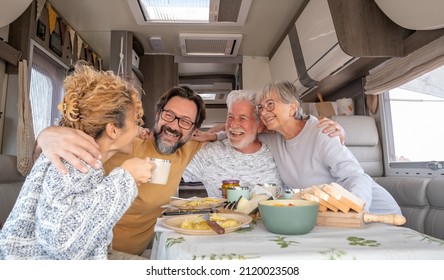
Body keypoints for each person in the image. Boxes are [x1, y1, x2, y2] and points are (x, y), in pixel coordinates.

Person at [36, 85, 344, 257]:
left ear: (193, 130)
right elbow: (62, 151)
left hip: (132, 253)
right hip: (87, 254)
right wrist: (46, 134)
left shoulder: (190, 147)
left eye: (185, 122)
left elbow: (255, 132)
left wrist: (328, 130)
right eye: (169, 115)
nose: (174, 126)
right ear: (156, 115)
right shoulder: (126, 140)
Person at [0, 62, 154, 259]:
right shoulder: (74, 162)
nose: (139, 130)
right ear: (113, 130)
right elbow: (62, 244)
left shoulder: (79, 156)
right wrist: (126, 178)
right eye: (136, 121)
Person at [254, 80, 401, 214]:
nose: (264, 112)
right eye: (260, 108)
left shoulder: (322, 132)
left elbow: (355, 176)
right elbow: (240, 130)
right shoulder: (273, 140)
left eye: (270, 104)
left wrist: (354, 211)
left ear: (292, 107)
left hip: (373, 211)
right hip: (332, 217)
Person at [183, 90, 284, 197]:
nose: (234, 124)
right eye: (230, 117)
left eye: (242, 118)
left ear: (259, 126)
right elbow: (171, 169)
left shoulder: (276, 152)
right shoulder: (210, 153)